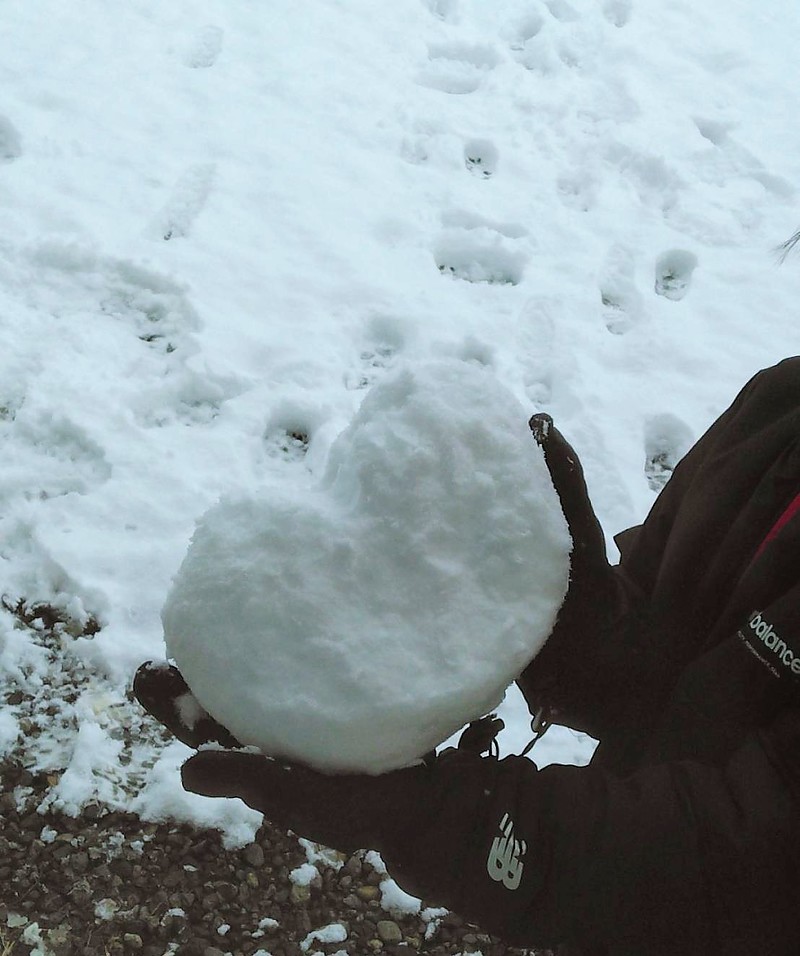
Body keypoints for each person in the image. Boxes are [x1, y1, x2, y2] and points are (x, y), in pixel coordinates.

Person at [135, 356, 800, 956]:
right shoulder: (781, 405)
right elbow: (690, 673)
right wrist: (582, 633)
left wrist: (455, 825)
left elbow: (770, 873)